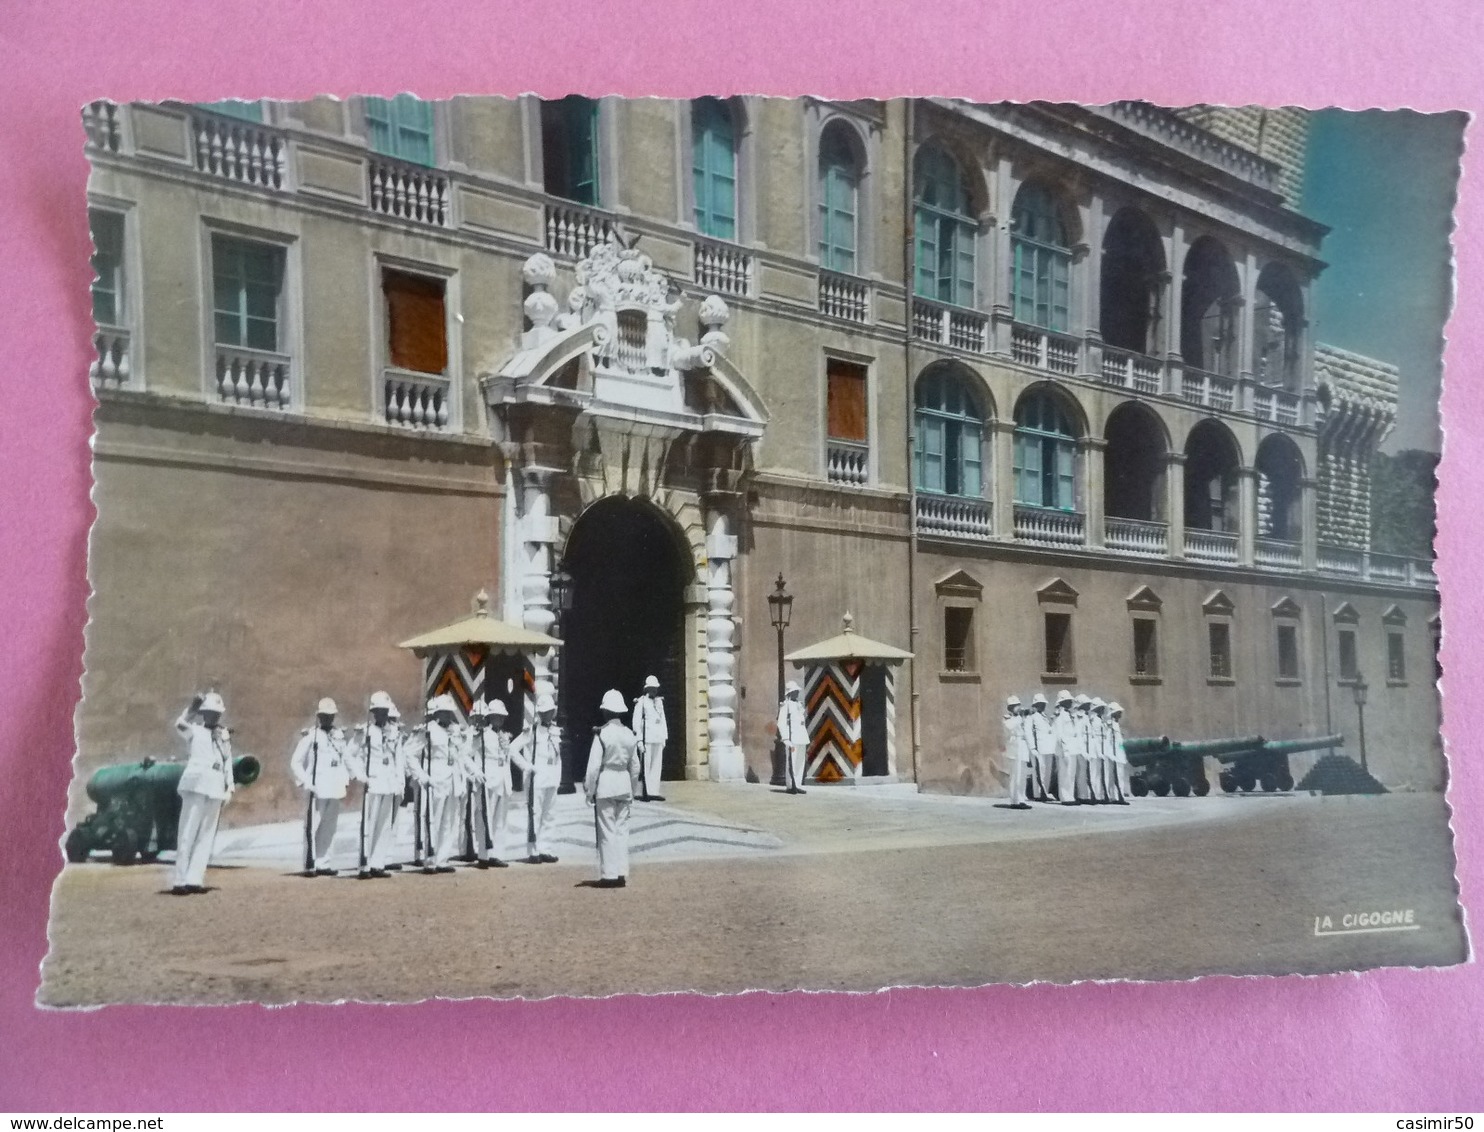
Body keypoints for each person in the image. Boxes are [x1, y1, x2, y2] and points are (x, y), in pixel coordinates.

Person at [170, 691, 236, 895]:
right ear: (202, 713)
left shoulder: (223, 735)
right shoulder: (194, 731)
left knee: (206, 835)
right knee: (187, 832)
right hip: (196, 784)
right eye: (209, 712)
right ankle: (180, 880)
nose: (213, 716)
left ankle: (194, 879)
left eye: (216, 713)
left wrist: (230, 786)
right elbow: (179, 723)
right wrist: (192, 707)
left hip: (216, 785)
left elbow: (228, 761)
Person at [407, 694, 475, 874]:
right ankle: (430, 860)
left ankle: (443, 859)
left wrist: (472, 770)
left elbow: (462, 754)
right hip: (435, 779)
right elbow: (409, 753)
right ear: (437, 713)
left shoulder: (455, 730)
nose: (447, 715)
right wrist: (421, 776)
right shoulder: (428, 731)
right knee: (433, 820)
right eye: (443, 712)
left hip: (453, 779)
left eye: (448, 712)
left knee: (450, 820)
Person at [584, 688, 643, 888]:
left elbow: (593, 767)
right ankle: (621, 872)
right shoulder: (629, 735)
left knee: (607, 830)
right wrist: (633, 789)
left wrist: (589, 790)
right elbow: (635, 766)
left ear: (606, 712)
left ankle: (609, 873)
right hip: (624, 783)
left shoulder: (602, 734)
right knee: (621, 831)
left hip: (606, 783)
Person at [290, 697, 352, 876]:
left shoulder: (338, 736)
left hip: (335, 787)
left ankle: (324, 862)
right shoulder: (311, 737)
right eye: (325, 716)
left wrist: (354, 776)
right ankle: (310, 863)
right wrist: (305, 781)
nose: (328, 719)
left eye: (331, 716)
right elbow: (295, 762)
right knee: (313, 826)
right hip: (317, 789)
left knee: (329, 827)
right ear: (319, 716)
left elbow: (346, 758)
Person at [351, 691, 404, 879]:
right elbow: (351, 755)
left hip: (389, 782)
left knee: (384, 825)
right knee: (369, 825)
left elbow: (398, 759)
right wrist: (361, 776)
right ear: (373, 713)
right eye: (378, 711)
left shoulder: (394, 733)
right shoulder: (365, 732)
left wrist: (399, 781)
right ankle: (364, 864)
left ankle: (378, 863)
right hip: (373, 781)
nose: (382, 714)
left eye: (384, 711)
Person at [511, 692, 562, 863]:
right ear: (539, 713)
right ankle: (533, 851)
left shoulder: (556, 730)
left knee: (550, 814)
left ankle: (545, 848)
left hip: (552, 777)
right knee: (535, 814)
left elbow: (558, 756)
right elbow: (512, 749)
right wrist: (527, 767)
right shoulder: (531, 730)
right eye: (544, 712)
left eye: (549, 711)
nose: (547, 714)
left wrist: (558, 776)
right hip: (536, 778)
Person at [469, 698, 514, 868]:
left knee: (500, 819)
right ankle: (483, 855)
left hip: (503, 780)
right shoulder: (482, 735)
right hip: (488, 780)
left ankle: (497, 854)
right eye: (496, 716)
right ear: (490, 717)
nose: (500, 720)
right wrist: (476, 771)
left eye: (502, 716)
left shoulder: (503, 736)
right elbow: (466, 754)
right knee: (484, 818)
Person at [631, 675, 669, 802]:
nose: (654, 691)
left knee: (657, 766)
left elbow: (663, 721)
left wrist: (664, 737)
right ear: (647, 689)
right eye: (651, 688)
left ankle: (654, 791)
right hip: (647, 739)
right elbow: (637, 722)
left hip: (657, 738)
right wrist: (639, 741)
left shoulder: (659, 702)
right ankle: (645, 791)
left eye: (655, 688)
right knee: (645, 766)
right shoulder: (641, 703)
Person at [776, 680, 809, 794]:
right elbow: (781, 722)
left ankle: (798, 784)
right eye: (794, 691)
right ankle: (791, 785)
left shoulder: (799, 705)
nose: (797, 693)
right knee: (791, 762)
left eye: (797, 691)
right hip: (792, 738)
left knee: (800, 762)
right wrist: (785, 738)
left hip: (801, 737)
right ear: (790, 693)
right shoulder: (786, 705)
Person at [1001, 695, 1032, 809]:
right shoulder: (1007, 718)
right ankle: (1015, 800)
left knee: (1023, 775)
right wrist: (1020, 718)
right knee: (1015, 775)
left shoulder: (1021, 718)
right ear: (1010, 708)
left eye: (1018, 705)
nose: (1017, 708)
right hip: (1014, 747)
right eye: (1014, 706)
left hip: (1022, 746)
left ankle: (1021, 798)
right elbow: (1009, 727)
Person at [1051, 690, 1080, 806]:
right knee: (1064, 774)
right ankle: (1065, 797)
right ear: (1062, 702)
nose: (1070, 703)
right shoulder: (1060, 716)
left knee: (1071, 774)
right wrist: (1065, 750)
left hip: (1072, 748)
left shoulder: (1069, 715)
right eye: (1068, 701)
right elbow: (1060, 734)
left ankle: (1070, 796)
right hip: (1065, 749)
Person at [1027, 692, 1056, 802]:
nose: (1042, 706)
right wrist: (1032, 748)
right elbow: (1029, 733)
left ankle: (1045, 791)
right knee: (1039, 771)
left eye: (1043, 704)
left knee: (1047, 771)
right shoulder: (1032, 718)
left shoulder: (1045, 717)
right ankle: (1038, 793)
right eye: (1040, 704)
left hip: (1048, 748)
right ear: (1035, 705)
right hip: (1038, 748)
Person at [1108, 702, 1132, 804]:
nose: (1120, 715)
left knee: (1120, 776)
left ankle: (1118, 796)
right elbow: (1109, 741)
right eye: (1118, 712)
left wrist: (1123, 753)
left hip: (1119, 754)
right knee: (1116, 777)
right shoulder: (1110, 725)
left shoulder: (1116, 725)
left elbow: (1120, 743)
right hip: (1114, 755)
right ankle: (1117, 797)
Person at [1088, 697, 1111, 804]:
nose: (1103, 710)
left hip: (1103, 748)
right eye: (1100, 708)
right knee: (1095, 774)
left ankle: (1102, 795)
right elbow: (1094, 737)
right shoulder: (1094, 721)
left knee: (1103, 773)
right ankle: (1095, 795)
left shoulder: (1101, 720)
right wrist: (1099, 752)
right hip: (1096, 749)